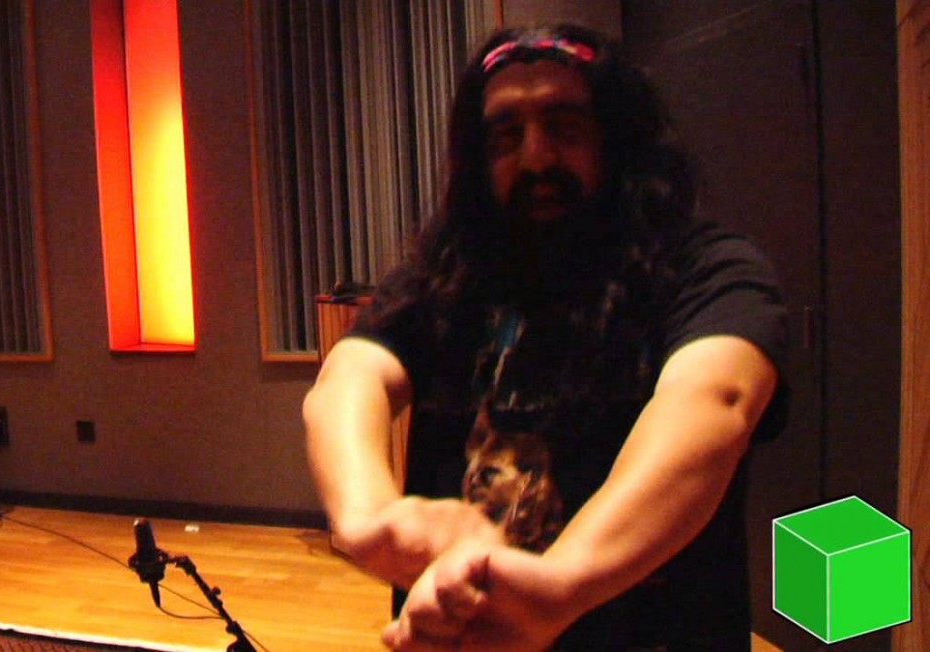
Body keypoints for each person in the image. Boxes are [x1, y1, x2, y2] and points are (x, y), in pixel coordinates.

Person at [303, 23, 789, 651]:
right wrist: (371, 516)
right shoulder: (448, 276)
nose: (536, 159)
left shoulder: (708, 268)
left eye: (565, 127)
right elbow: (351, 375)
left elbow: (716, 401)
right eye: (507, 136)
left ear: (619, 139)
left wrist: (557, 588)